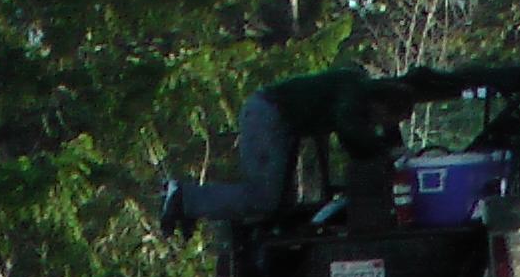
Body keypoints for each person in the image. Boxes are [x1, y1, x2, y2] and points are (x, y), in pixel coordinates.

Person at [164, 68, 422, 228]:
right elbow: (351, 132)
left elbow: (370, 132)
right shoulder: (353, 96)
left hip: (278, 121)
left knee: (279, 206)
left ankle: (192, 205)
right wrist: (382, 153)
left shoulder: (357, 90)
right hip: (268, 116)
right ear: (380, 105)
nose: (381, 125)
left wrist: (396, 151)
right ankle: (185, 198)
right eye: (387, 119)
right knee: (264, 197)